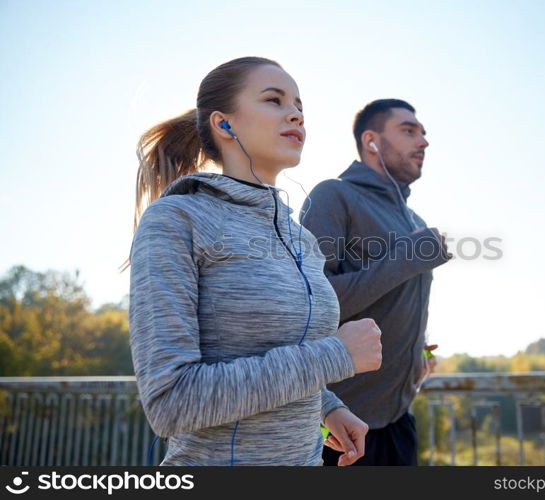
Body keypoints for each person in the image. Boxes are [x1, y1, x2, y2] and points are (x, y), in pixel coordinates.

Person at [125, 56, 383, 466]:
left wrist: (327, 406)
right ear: (224, 124)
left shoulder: (300, 238)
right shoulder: (177, 220)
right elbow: (171, 402)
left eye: (299, 105)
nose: (295, 114)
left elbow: (282, 348)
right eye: (274, 100)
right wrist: (336, 355)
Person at [301, 99, 451, 465]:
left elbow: (393, 299)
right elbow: (309, 303)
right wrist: (408, 257)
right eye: (408, 131)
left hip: (398, 423)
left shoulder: (412, 216)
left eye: (424, 133)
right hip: (336, 430)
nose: (423, 142)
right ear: (372, 141)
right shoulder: (333, 195)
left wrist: (416, 350)